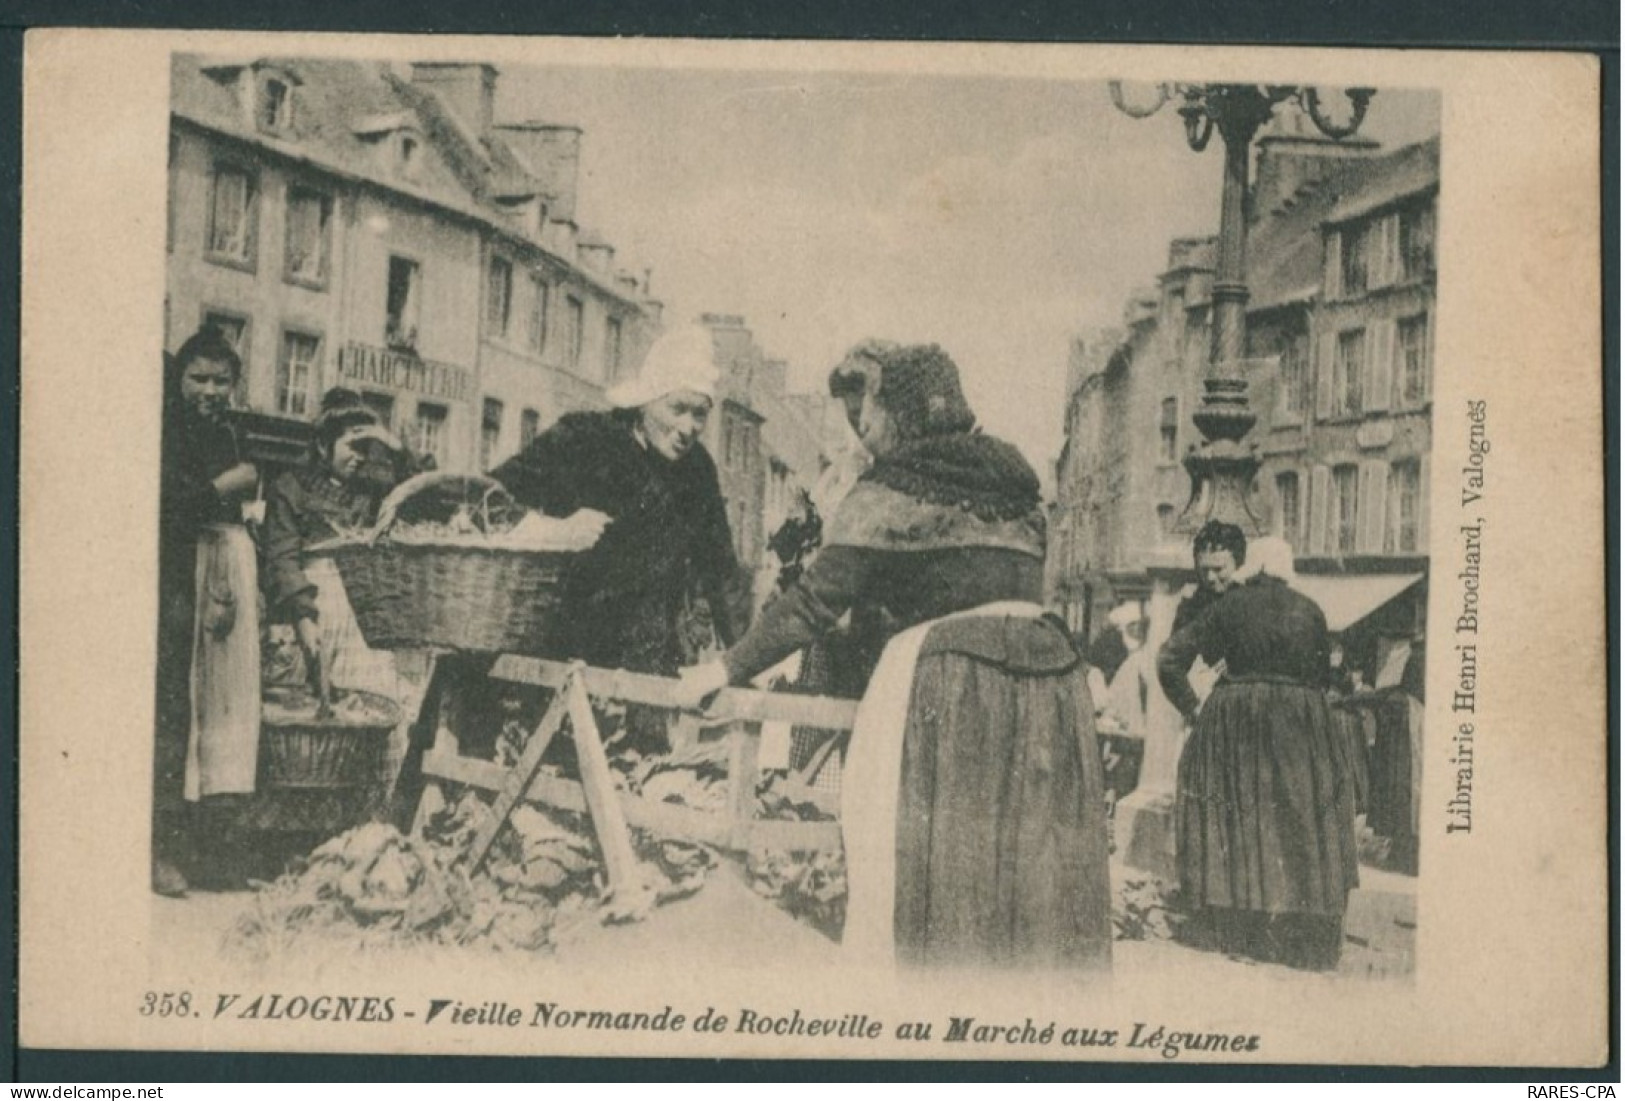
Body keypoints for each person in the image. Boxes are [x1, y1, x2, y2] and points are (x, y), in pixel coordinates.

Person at [677, 343, 1112, 973]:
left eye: (867, 421)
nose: (864, 437)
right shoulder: (1015, 479)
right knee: (1019, 867)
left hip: (952, 678)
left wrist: (721, 669)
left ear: (900, 412)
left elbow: (813, 604)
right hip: (1048, 680)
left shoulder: (892, 488)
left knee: (912, 856)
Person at [1156, 534, 1359, 970]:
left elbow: (1169, 660)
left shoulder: (1227, 607)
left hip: (1238, 720)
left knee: (1242, 815)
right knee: (1301, 815)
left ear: (1251, 567)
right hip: (1300, 721)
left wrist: (1195, 709)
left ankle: (1240, 926)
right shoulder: (1311, 609)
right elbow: (1324, 674)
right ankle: (1306, 932)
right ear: (1286, 569)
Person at [153, 327, 260, 896]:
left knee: (225, 714)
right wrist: (224, 485)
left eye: (222, 380)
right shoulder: (165, 430)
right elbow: (165, 504)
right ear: (180, 379)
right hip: (180, 578)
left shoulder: (229, 431)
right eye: (199, 378)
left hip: (223, 575)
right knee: (179, 710)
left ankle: (212, 854)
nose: (211, 390)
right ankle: (162, 848)